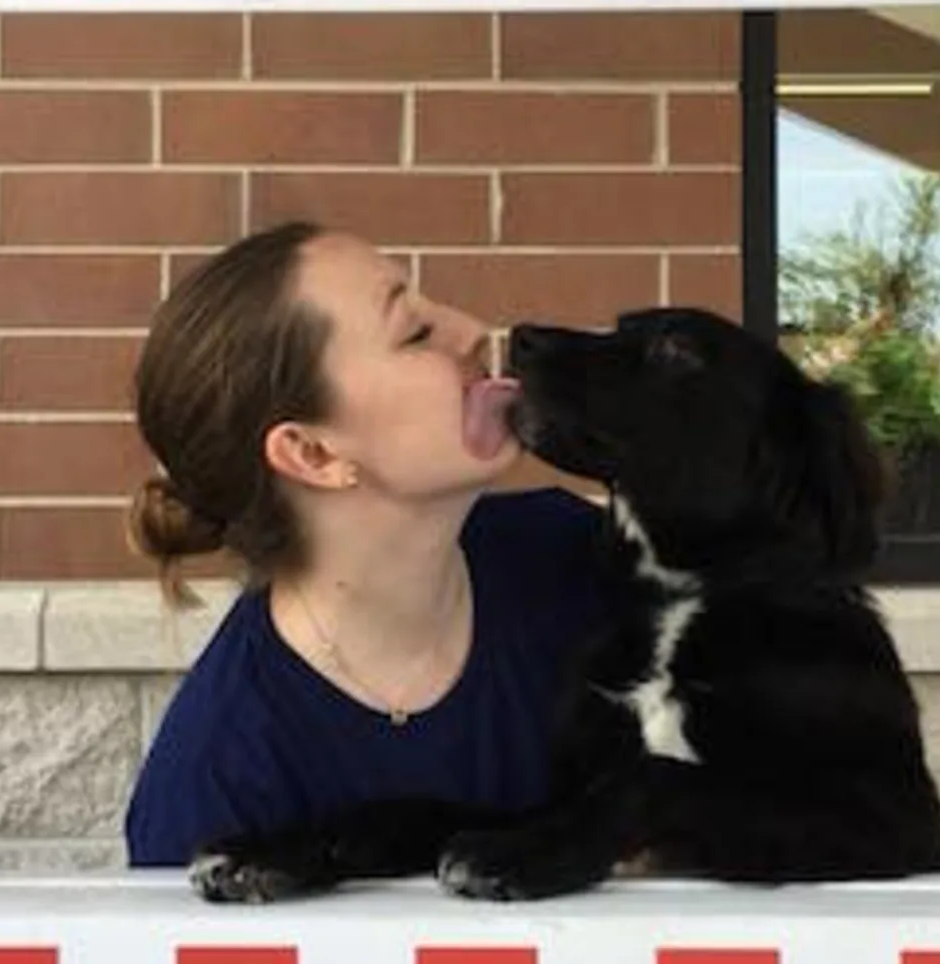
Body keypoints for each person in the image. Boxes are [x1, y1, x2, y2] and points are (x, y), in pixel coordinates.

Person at [119, 220, 611, 868]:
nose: (469, 330)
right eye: (414, 333)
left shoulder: (581, 561)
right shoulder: (219, 785)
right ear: (313, 452)